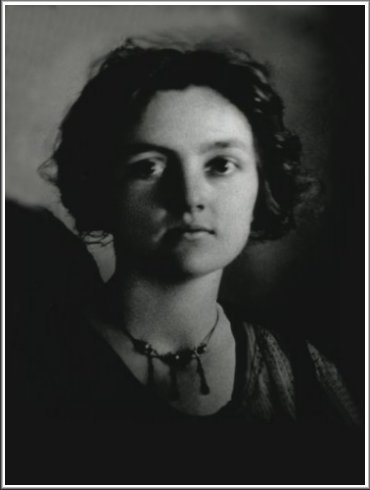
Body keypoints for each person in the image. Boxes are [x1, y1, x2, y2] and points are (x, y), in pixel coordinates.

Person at [13, 36, 361, 426]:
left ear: (262, 183)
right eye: (149, 167)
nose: (190, 196)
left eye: (221, 165)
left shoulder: (304, 375)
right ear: (99, 186)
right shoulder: (30, 364)